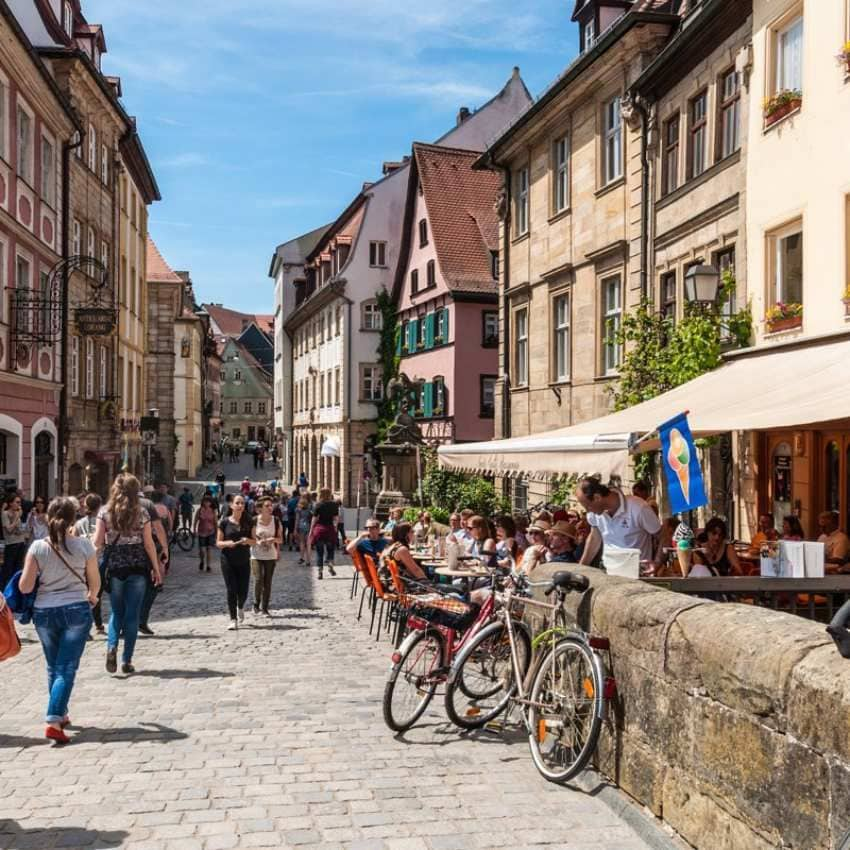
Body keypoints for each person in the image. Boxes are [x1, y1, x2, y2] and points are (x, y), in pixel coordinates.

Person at [18, 497, 100, 743]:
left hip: (44, 612)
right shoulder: (85, 546)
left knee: (54, 666)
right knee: (66, 667)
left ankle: (61, 712)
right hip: (76, 609)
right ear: (73, 518)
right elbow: (95, 581)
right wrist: (92, 597)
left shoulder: (37, 547)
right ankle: (54, 719)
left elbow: (25, 587)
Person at [93, 474, 162, 675]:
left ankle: (112, 646)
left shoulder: (104, 512)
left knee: (116, 612)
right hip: (138, 567)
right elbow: (149, 544)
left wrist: (88, 563)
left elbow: (97, 543)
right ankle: (127, 660)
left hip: (115, 568)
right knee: (132, 615)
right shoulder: (142, 513)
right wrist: (156, 569)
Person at [576, 477, 661, 572]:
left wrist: (657, 562)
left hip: (636, 573)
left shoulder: (638, 507)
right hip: (608, 571)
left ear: (597, 498)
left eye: (587, 506)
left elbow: (662, 536)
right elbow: (595, 538)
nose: (587, 510)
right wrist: (581, 568)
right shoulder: (594, 513)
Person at [216, 494, 254, 630]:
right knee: (231, 589)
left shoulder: (249, 522)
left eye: (242, 503)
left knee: (243, 591)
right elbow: (218, 543)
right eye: (237, 503)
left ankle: (241, 606)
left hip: (243, 560)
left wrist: (247, 541)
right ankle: (233, 619)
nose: (240, 505)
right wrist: (227, 543)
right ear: (231, 505)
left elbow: (254, 541)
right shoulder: (224, 522)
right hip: (227, 560)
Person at [72, 493, 105, 634]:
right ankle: (98, 624)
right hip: (99, 562)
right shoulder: (103, 521)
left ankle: (86, 625)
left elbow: (72, 541)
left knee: (84, 594)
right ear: (100, 505)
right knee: (96, 595)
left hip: (82, 563)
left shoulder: (79, 524)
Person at [250, 497, 282, 616]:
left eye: (271, 505)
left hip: (270, 555)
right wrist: (258, 542)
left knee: (267, 581)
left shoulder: (276, 521)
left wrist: (273, 539)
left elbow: (281, 539)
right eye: (267, 506)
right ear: (260, 509)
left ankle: (265, 608)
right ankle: (255, 604)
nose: (270, 508)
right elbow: (251, 539)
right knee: (258, 579)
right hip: (256, 555)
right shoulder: (254, 521)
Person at [310, 488, 339, 580]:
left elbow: (314, 519)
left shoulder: (318, 505)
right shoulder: (334, 505)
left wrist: (311, 530)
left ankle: (320, 571)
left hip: (320, 530)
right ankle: (330, 565)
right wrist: (335, 528)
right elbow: (336, 518)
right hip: (329, 529)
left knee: (319, 552)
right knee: (330, 550)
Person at [1, 492, 28, 587]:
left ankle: (17, 588)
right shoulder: (5, 514)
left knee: (18, 569)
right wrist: (17, 518)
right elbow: (8, 530)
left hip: (20, 543)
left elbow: (18, 530)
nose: (19, 505)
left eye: (20, 502)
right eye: (17, 502)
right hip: (11, 544)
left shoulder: (17, 514)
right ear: (10, 503)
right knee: (8, 570)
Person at [194, 495, 219, 572]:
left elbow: (215, 522)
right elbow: (195, 521)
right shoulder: (199, 510)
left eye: (208, 502)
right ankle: (202, 561)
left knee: (209, 549)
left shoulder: (213, 511)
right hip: (201, 532)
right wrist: (194, 530)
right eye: (205, 501)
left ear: (211, 503)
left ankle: (208, 566)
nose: (207, 503)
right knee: (202, 550)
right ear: (202, 502)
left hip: (211, 532)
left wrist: (217, 533)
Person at [295, 497, 313, 566]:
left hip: (301, 526)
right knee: (308, 544)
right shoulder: (309, 510)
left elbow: (297, 520)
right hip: (308, 526)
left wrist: (295, 529)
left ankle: (302, 558)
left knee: (302, 543)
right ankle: (308, 560)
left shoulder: (298, 510)